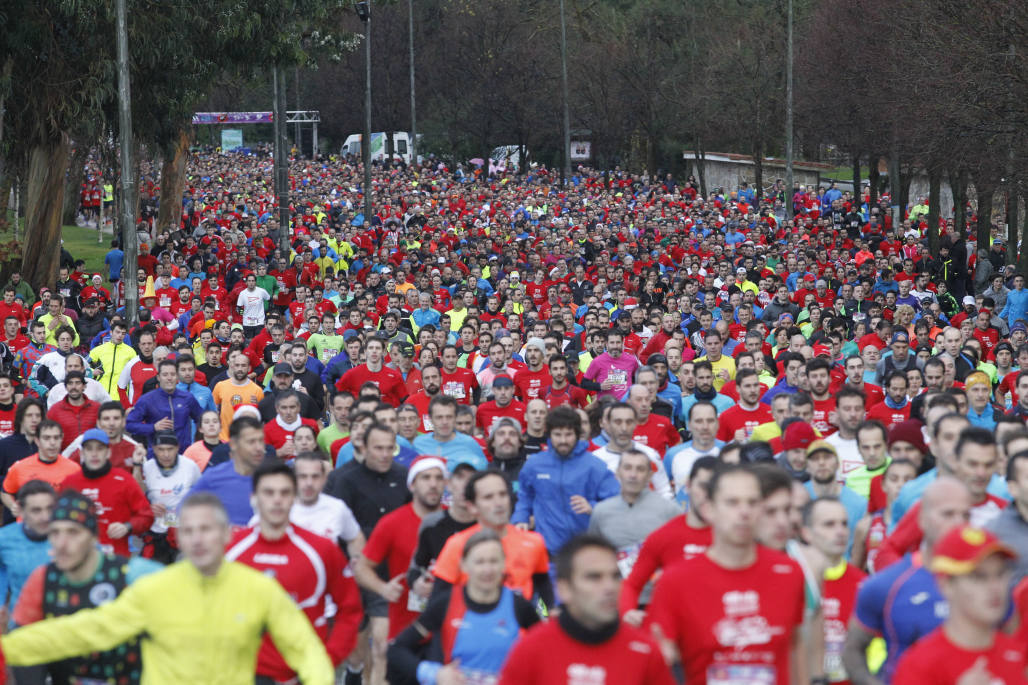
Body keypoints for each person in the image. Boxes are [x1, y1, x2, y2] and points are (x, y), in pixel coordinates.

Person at [0, 492, 336, 683]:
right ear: (179, 539)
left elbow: (304, 648)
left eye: (206, 529)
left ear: (226, 535)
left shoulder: (260, 590)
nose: (197, 539)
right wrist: (9, 649)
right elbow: (86, 630)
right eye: (188, 531)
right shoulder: (155, 588)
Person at [649, 464, 808, 685]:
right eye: (732, 502)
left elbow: (795, 647)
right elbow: (657, 664)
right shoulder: (675, 581)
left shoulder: (789, 572)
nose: (744, 512)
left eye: (752, 503)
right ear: (708, 510)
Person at [226, 461, 362, 685]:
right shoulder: (231, 550)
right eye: (268, 493)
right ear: (254, 498)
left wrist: (328, 659)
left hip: (303, 675)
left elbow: (350, 609)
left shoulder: (321, 550)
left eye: (285, 492)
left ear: (294, 497)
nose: (277, 500)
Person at [8, 490, 162, 685]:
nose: (62, 544)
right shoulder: (42, 579)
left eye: (73, 532)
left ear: (93, 537)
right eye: (55, 533)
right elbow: (25, 650)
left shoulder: (133, 574)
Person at [842, 476, 972, 684]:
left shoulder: (990, 582)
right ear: (922, 520)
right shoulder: (887, 584)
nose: (959, 523)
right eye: (947, 514)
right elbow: (852, 651)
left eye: (965, 515)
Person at [497, 534, 675, 685]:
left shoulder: (646, 651)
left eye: (615, 576)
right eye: (594, 577)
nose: (609, 587)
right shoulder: (530, 650)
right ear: (564, 589)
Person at [388, 529, 541, 685]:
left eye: (493, 561)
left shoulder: (518, 605)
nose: (487, 570)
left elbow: (549, 649)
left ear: (503, 564)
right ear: (464, 565)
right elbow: (396, 649)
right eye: (479, 562)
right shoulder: (446, 603)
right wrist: (435, 674)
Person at [354, 455, 445, 685]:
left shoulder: (457, 521)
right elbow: (362, 568)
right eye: (426, 478)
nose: (433, 484)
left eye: (438, 478)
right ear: (412, 484)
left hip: (448, 632)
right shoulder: (393, 523)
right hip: (405, 632)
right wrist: (383, 588)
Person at [893, 524, 1024, 683]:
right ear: (946, 585)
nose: (995, 587)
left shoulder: (1018, 655)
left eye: (1000, 574)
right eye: (978, 577)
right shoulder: (919, 665)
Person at [431, 469, 553, 608]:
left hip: (519, 626)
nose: (498, 503)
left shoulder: (534, 542)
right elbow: (437, 600)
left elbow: (543, 585)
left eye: (502, 495)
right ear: (472, 507)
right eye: (488, 497)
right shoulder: (457, 544)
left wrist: (550, 615)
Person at [513, 406, 621, 556]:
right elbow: (524, 497)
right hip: (545, 550)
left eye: (568, 434)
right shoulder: (535, 464)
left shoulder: (595, 466)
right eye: (557, 434)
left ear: (577, 434)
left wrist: (593, 507)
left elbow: (616, 501)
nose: (563, 440)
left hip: (584, 550)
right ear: (549, 435)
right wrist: (520, 519)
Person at [619, 457, 715, 624]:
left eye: (714, 487)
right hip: (673, 631)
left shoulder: (736, 537)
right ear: (688, 485)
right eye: (702, 486)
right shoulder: (664, 535)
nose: (707, 494)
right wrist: (628, 612)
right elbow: (632, 584)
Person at [588, 446, 679, 585]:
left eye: (640, 469)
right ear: (617, 473)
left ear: (650, 475)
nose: (633, 475)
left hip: (657, 597)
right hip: (615, 596)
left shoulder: (670, 511)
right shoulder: (601, 512)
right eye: (627, 468)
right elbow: (594, 556)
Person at [801, 497, 867, 685]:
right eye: (829, 525)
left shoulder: (864, 585)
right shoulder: (790, 580)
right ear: (807, 533)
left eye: (844, 524)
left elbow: (875, 648)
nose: (840, 532)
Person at [59, 427, 153, 557]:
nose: (94, 454)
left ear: (108, 453)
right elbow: (57, 519)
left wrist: (127, 526)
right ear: (81, 454)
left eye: (99, 448)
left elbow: (146, 516)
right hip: (79, 560)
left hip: (116, 559)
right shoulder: (69, 483)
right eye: (89, 449)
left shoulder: (124, 480)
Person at [406, 462, 478, 599]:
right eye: (460, 478)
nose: (464, 486)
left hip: (477, 605)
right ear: (449, 484)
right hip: (441, 603)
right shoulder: (432, 523)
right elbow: (416, 567)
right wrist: (418, 583)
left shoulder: (486, 525)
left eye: (470, 480)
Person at [186, 414, 269, 526]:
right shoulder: (214, 477)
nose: (259, 447)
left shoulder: (272, 477)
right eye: (251, 442)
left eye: (261, 441)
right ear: (234, 444)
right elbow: (185, 508)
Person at [139, 430, 201, 563]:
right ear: (154, 449)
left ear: (177, 448)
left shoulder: (190, 467)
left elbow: (202, 496)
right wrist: (149, 507)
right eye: (161, 449)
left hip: (183, 533)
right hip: (157, 533)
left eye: (170, 449)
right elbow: (138, 497)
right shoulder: (147, 467)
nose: (166, 454)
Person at [288, 451, 364, 559]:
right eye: (303, 476)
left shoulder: (337, 507)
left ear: (324, 479)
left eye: (315, 477)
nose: (309, 483)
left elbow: (355, 537)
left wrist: (357, 565)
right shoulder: (280, 509)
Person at [0, 481, 55, 629]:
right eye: (36, 510)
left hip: (62, 629)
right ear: (21, 510)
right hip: (21, 627)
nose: (45, 517)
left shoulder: (71, 537)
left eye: (50, 509)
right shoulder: (4, 539)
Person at [591, 402, 673, 500]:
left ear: (635, 424)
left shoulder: (650, 455)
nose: (624, 428)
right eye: (618, 422)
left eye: (629, 422)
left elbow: (664, 492)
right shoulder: (595, 460)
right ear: (607, 424)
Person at [1, 420, 81, 517]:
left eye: (56, 438)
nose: (52, 443)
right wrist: (13, 506)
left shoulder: (74, 469)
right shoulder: (20, 467)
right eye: (46, 438)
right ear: (37, 441)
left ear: (62, 439)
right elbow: (5, 491)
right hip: (28, 527)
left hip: (59, 527)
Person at [125, 359, 205, 452]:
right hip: (156, 456)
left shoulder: (187, 398)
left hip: (183, 455)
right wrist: (153, 427)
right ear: (158, 377)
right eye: (165, 375)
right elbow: (130, 425)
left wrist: (198, 443)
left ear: (177, 377)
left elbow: (202, 420)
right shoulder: (147, 399)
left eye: (172, 374)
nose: (169, 378)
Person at [412, 395, 488, 470]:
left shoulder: (470, 443)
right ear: (430, 419)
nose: (444, 422)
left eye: (449, 417)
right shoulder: (418, 444)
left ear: (455, 417)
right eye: (439, 417)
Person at [211, 350, 264, 440]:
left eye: (243, 365)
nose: (240, 368)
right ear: (232, 366)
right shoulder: (220, 386)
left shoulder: (257, 390)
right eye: (237, 365)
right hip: (223, 439)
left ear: (249, 368)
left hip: (245, 441)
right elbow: (213, 410)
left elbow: (260, 419)